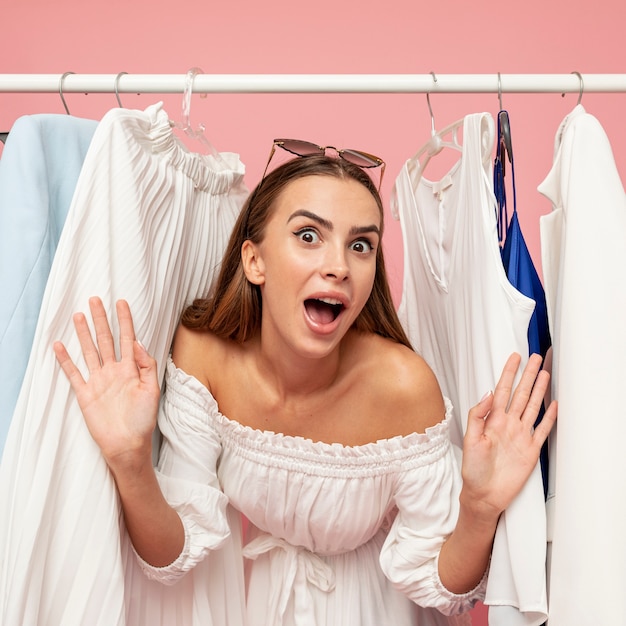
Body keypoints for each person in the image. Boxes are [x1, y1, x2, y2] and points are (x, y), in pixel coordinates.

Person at [53, 145, 557, 625]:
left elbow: (442, 585)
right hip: (261, 603)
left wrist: (479, 507)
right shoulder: (204, 355)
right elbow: (173, 554)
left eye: (360, 245)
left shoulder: (403, 386)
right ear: (255, 261)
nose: (339, 266)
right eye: (309, 236)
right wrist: (129, 459)